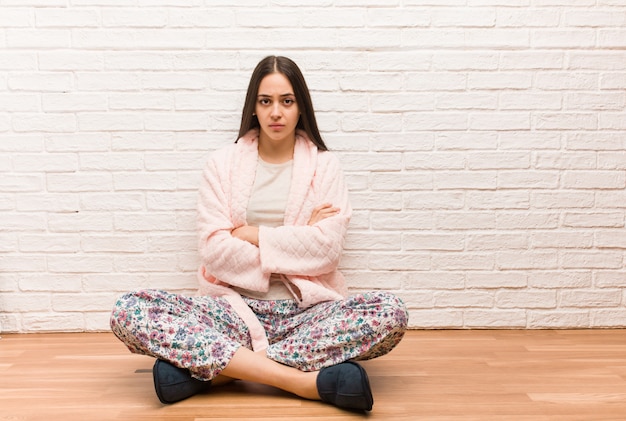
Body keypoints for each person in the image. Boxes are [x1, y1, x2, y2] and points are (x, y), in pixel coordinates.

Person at [110, 55, 408, 412]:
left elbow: (326, 250)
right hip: (233, 311)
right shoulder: (222, 164)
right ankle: (300, 381)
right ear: (254, 106)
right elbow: (215, 251)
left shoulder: (325, 166)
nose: (276, 113)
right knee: (129, 310)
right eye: (266, 101)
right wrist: (299, 237)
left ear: (301, 107)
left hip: (305, 312)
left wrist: (252, 233)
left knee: (390, 312)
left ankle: (223, 370)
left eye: (287, 101)